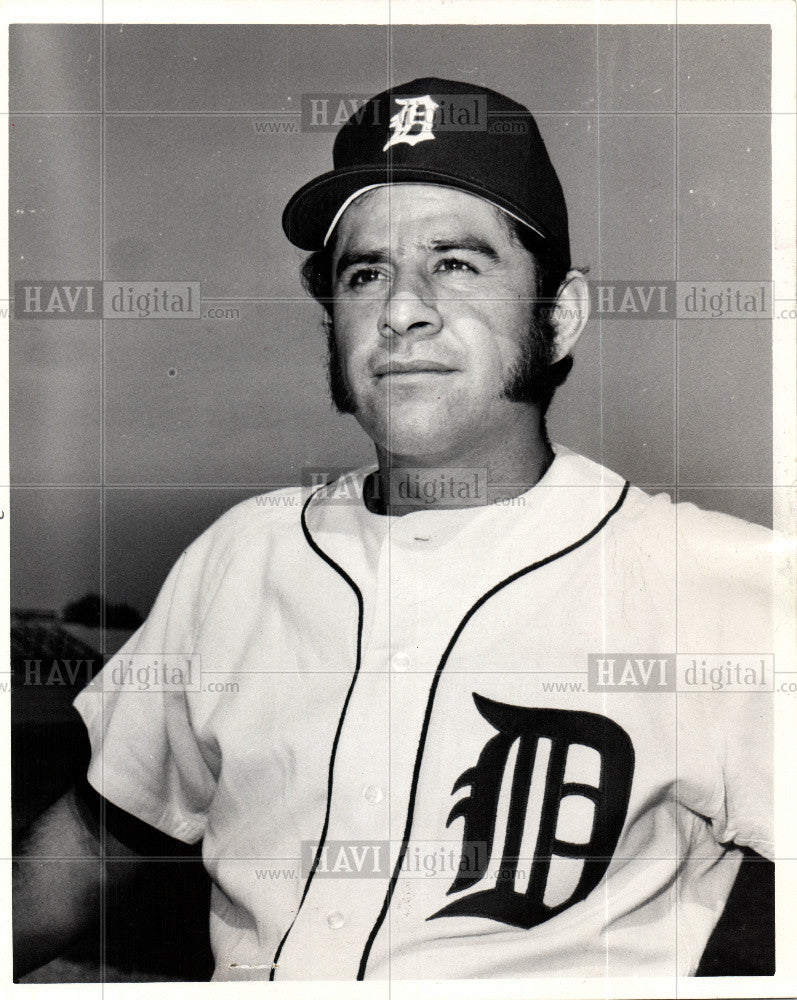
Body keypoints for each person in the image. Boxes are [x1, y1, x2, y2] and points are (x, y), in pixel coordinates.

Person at [13, 77, 773, 982]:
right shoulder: (241, 557)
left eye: (456, 262)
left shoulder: (717, 579)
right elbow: (95, 848)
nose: (400, 309)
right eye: (364, 271)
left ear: (558, 315)